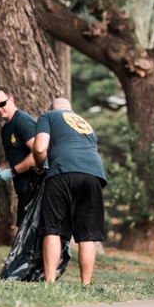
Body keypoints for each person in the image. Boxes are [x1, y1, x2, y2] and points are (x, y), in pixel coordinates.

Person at [32, 97, 107, 285]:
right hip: (93, 175)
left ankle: (49, 283)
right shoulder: (85, 124)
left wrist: (40, 167)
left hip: (62, 172)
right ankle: (86, 284)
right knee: (87, 233)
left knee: (53, 229)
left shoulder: (49, 116)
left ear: (53, 108)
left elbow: (40, 148)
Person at [0, 87, 40, 226]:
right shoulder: (5, 129)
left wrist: (12, 172)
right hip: (22, 188)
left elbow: (38, 154)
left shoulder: (22, 121)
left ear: (11, 100)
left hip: (36, 185)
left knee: (30, 232)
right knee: (24, 228)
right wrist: (0, 169)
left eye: (2, 104)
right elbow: (9, 157)